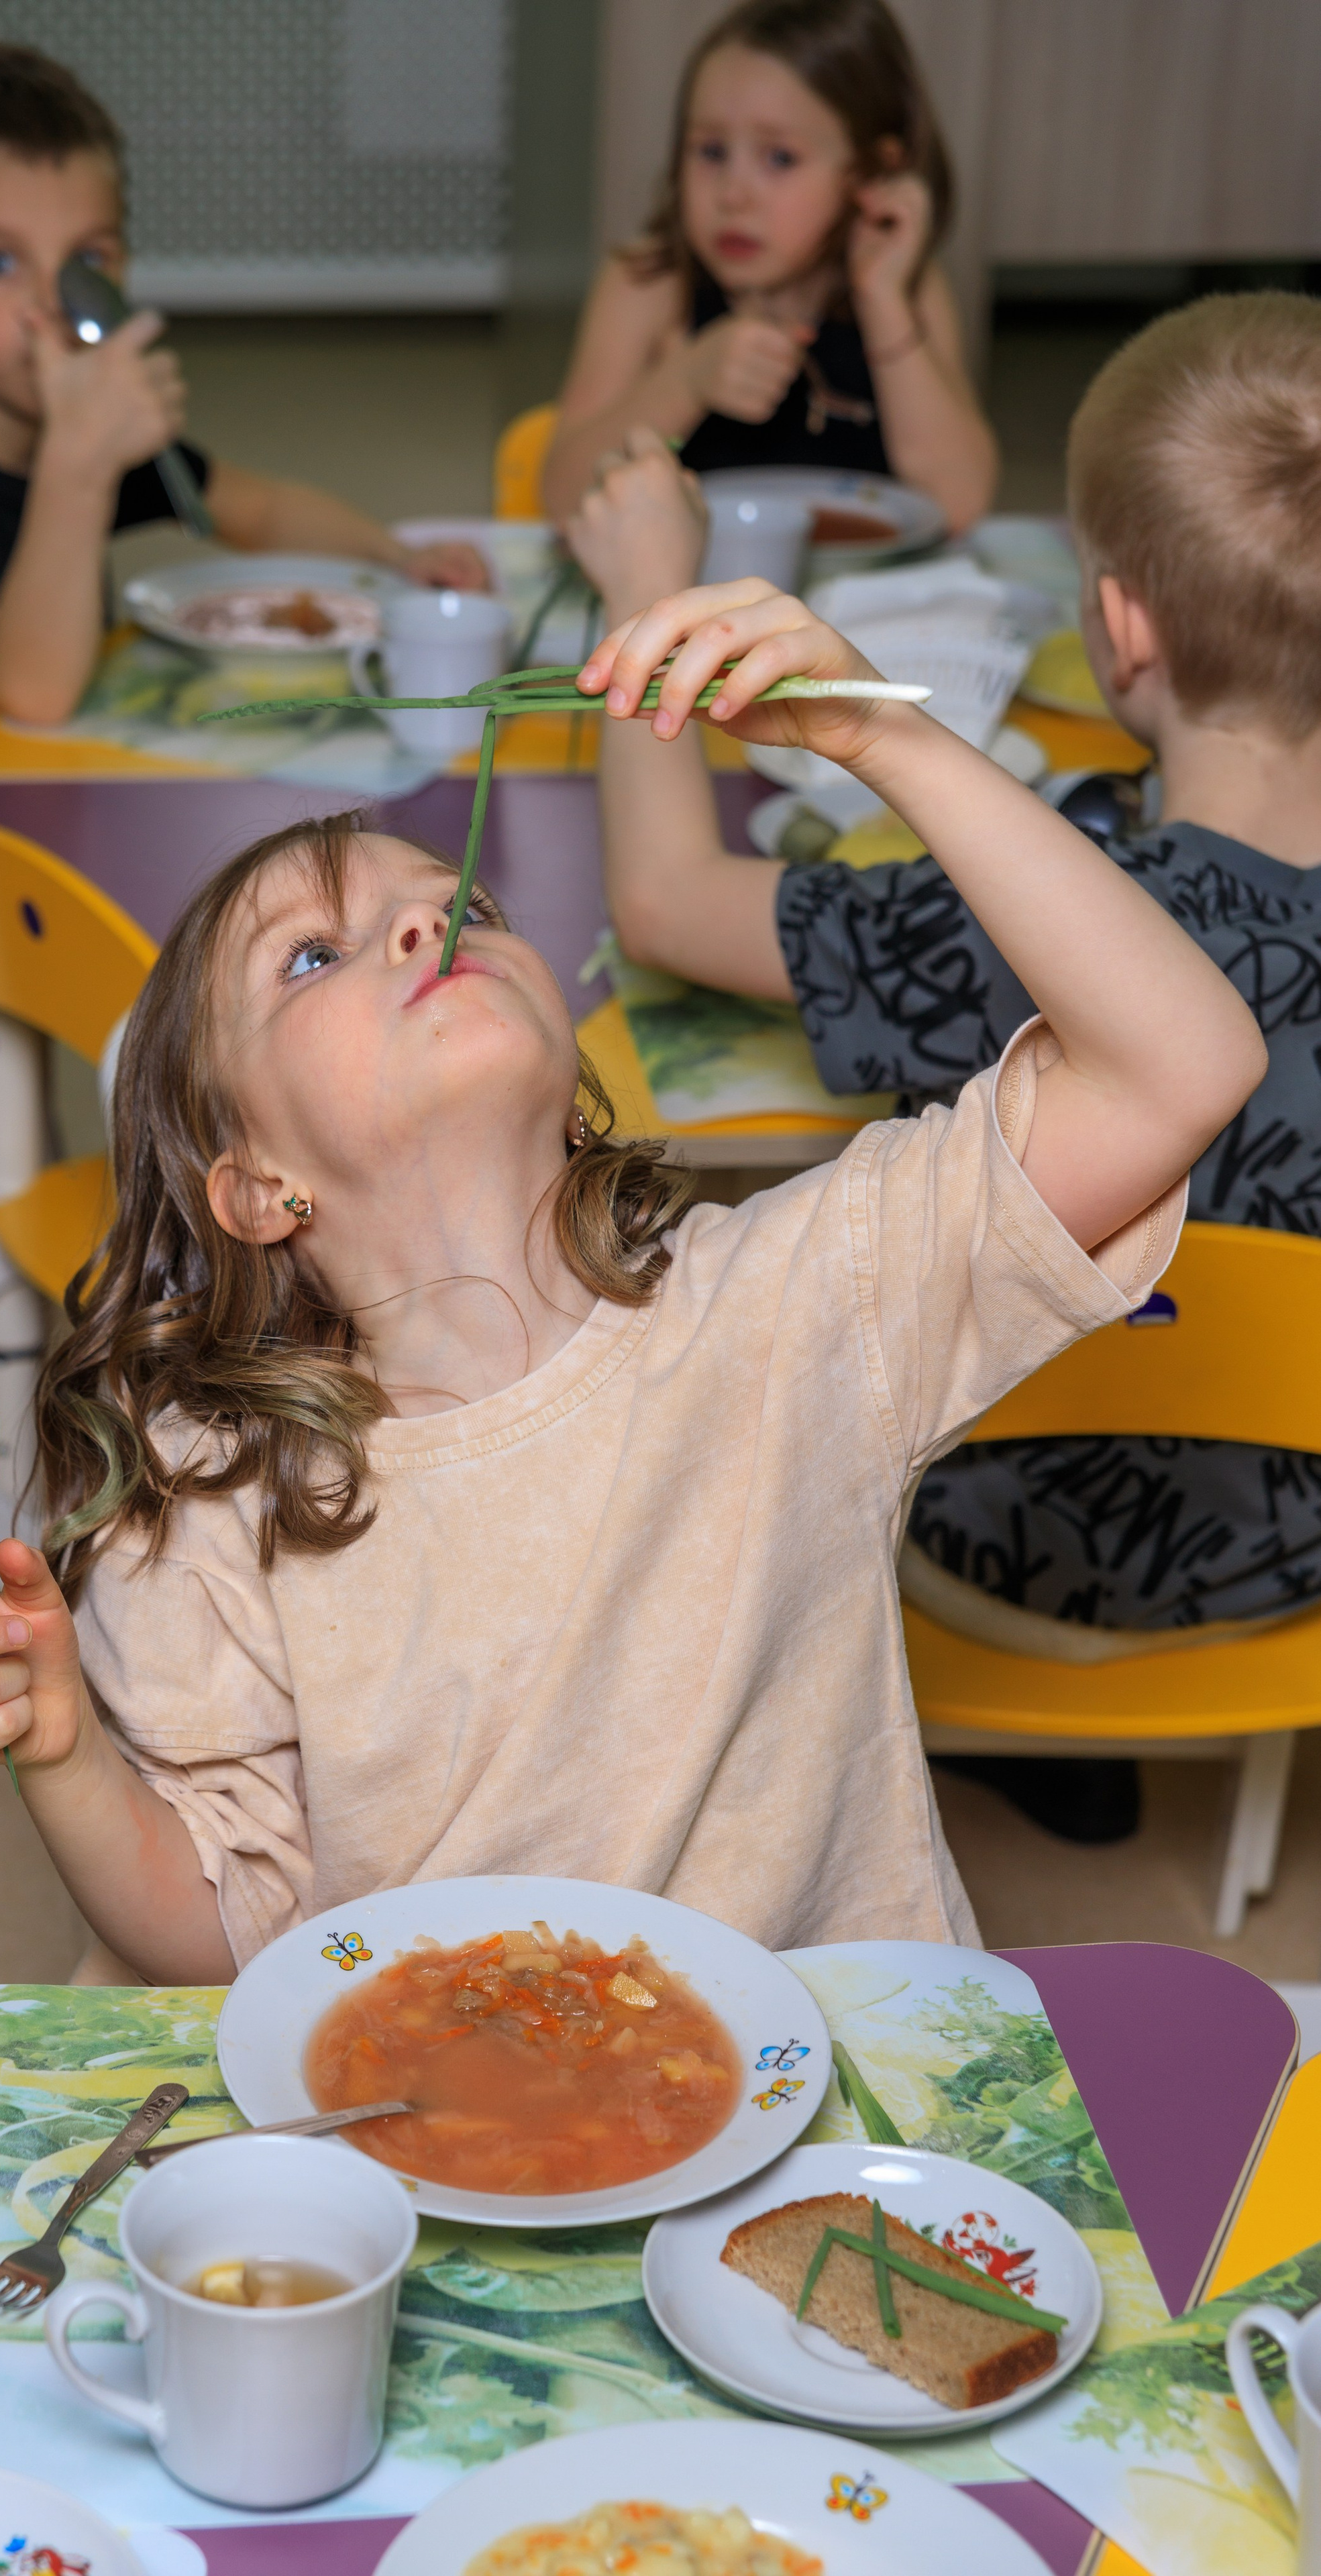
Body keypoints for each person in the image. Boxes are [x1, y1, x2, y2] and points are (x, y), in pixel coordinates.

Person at [0, 565, 1261, 1982]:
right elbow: (221, 1938)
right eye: (311, 957)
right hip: (436, 2120)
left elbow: (1181, 1066)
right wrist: (61, 1754)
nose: (426, 926)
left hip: (815, 2082)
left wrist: (883, 741)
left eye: (456, 901)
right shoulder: (198, 1491)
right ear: (251, 1188)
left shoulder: (799, 1306)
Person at [570, 290, 1321, 1840]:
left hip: (1008, 1548)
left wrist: (644, 591)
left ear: (1116, 630)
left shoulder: (1028, 937)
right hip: (1300, 1549)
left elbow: (659, 904)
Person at [0, 45, 488, 943]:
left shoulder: (68, 417)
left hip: (40, 776)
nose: (49, 304)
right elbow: (32, 689)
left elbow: (255, 508)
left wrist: (397, 555)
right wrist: (77, 460)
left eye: (85, 259)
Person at [542, 0, 996, 533]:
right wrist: (683, 383)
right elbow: (564, 498)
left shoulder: (910, 290)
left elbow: (961, 503)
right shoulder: (648, 284)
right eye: (710, 152)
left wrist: (884, 302)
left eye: (779, 158)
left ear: (875, 170)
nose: (733, 195)